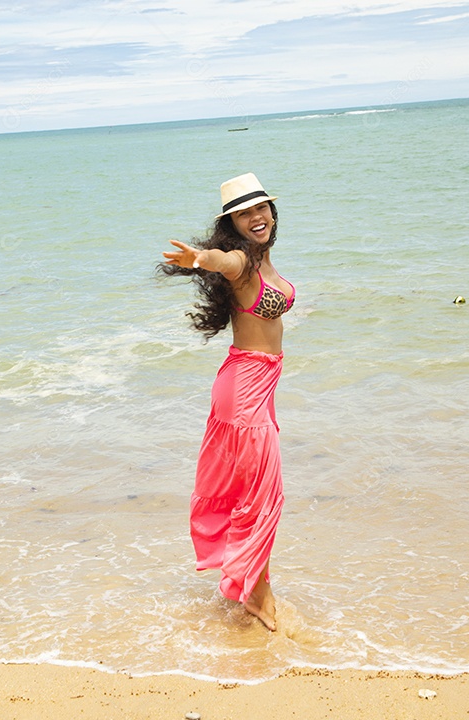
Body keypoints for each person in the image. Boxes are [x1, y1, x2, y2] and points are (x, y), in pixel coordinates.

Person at [159, 172, 293, 632]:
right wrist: (202, 259)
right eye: (244, 214)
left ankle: (250, 586)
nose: (257, 218)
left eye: (262, 208)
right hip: (244, 392)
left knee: (254, 492)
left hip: (256, 386)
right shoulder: (242, 263)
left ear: (273, 212)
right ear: (232, 224)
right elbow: (224, 262)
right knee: (261, 495)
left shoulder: (265, 261)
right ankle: (258, 595)